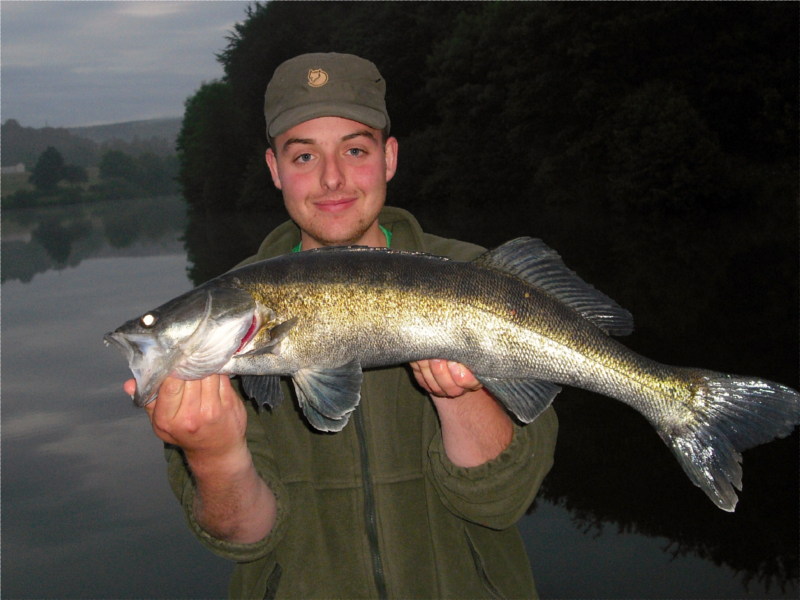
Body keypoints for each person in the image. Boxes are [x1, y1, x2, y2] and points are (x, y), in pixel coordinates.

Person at [125, 52, 558, 599]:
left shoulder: (481, 281)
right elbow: (242, 537)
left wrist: (461, 396)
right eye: (303, 156)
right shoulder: (220, 330)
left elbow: (501, 502)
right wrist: (214, 454)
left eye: (355, 150)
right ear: (275, 169)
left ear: (389, 158)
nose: (332, 178)